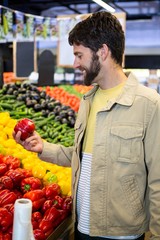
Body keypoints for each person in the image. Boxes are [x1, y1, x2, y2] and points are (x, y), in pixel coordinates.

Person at [13, 11, 160, 240]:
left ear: (102, 52)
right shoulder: (88, 101)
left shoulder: (149, 105)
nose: (75, 63)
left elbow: (158, 182)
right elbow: (85, 157)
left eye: (79, 55)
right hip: (82, 229)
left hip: (123, 235)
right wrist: (44, 148)